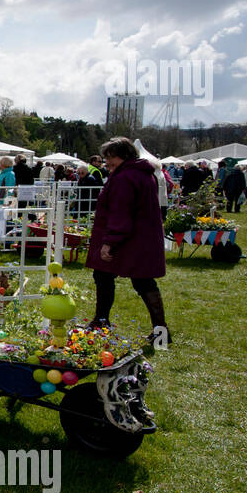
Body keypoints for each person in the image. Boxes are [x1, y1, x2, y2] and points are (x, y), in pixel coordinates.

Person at [86, 137, 168, 344]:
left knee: (117, 278)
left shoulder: (125, 178)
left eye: (111, 159)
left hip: (130, 238)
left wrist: (110, 241)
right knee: (136, 280)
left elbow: (120, 212)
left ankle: (102, 320)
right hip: (140, 236)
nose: (108, 164)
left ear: (124, 156)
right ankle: (160, 331)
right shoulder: (142, 174)